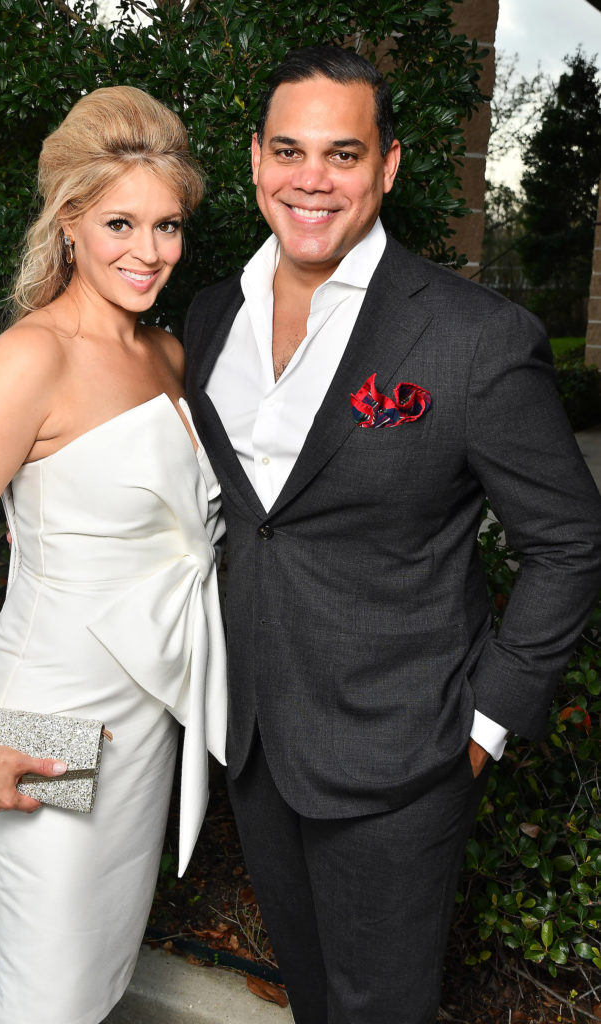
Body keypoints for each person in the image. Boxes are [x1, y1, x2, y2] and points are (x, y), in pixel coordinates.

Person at [183, 45, 601, 1024]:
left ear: (388, 166)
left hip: (404, 756)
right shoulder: (210, 319)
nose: (311, 180)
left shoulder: (468, 337)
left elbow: (572, 538)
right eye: (288, 150)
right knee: (314, 999)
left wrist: (487, 723)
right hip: (253, 742)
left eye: (342, 153)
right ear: (254, 161)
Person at [0, 85, 227, 1024]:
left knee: (96, 975)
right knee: (40, 993)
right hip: (45, 724)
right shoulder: (29, 357)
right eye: (121, 221)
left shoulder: (167, 353)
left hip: (150, 712)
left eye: (167, 225)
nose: (149, 250)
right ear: (70, 222)